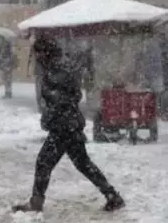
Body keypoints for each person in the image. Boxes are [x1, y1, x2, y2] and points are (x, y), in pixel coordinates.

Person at [12, 36, 125, 213]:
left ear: (45, 52)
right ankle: (112, 196)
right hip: (68, 124)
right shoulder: (60, 65)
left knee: (44, 162)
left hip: (63, 126)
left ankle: (36, 203)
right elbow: (70, 94)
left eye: (38, 54)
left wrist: (52, 110)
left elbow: (64, 96)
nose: (37, 58)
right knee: (83, 164)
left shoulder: (58, 68)